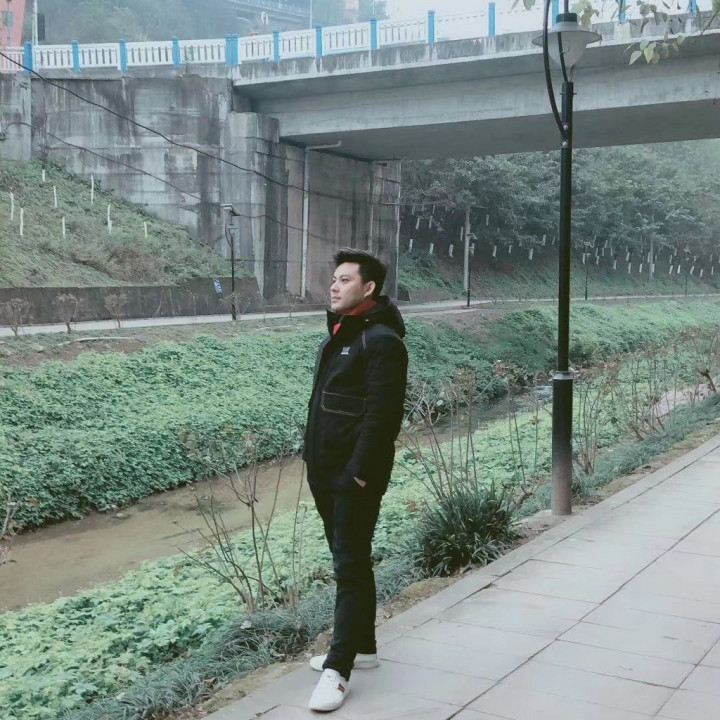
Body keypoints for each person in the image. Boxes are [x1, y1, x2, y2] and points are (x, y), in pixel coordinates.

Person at [303, 248, 408, 713]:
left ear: (369, 288)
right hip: (325, 471)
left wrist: (359, 475)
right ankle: (363, 648)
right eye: (334, 278)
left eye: (345, 279)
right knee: (351, 560)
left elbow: (383, 419)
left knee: (348, 566)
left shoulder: (381, 341)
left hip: (354, 477)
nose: (334, 285)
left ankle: (338, 668)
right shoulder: (341, 333)